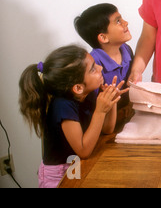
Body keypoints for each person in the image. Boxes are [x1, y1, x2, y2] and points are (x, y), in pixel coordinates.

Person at [18, 45, 126, 187]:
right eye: (93, 69)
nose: (100, 68)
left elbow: (107, 129)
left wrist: (111, 101)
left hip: (75, 166)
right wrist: (100, 111)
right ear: (78, 87)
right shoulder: (62, 106)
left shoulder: (86, 95)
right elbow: (83, 150)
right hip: (58, 176)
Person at [74, 3, 134, 123]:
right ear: (103, 37)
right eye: (118, 21)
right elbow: (90, 108)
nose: (125, 22)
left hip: (126, 118)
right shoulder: (93, 65)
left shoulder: (126, 49)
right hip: (103, 125)